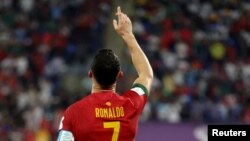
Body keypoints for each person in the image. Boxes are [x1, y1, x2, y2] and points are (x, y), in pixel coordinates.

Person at [57, 6, 153, 141]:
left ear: (90, 74)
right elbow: (146, 74)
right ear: (119, 75)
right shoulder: (131, 104)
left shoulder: (74, 113)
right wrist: (128, 35)